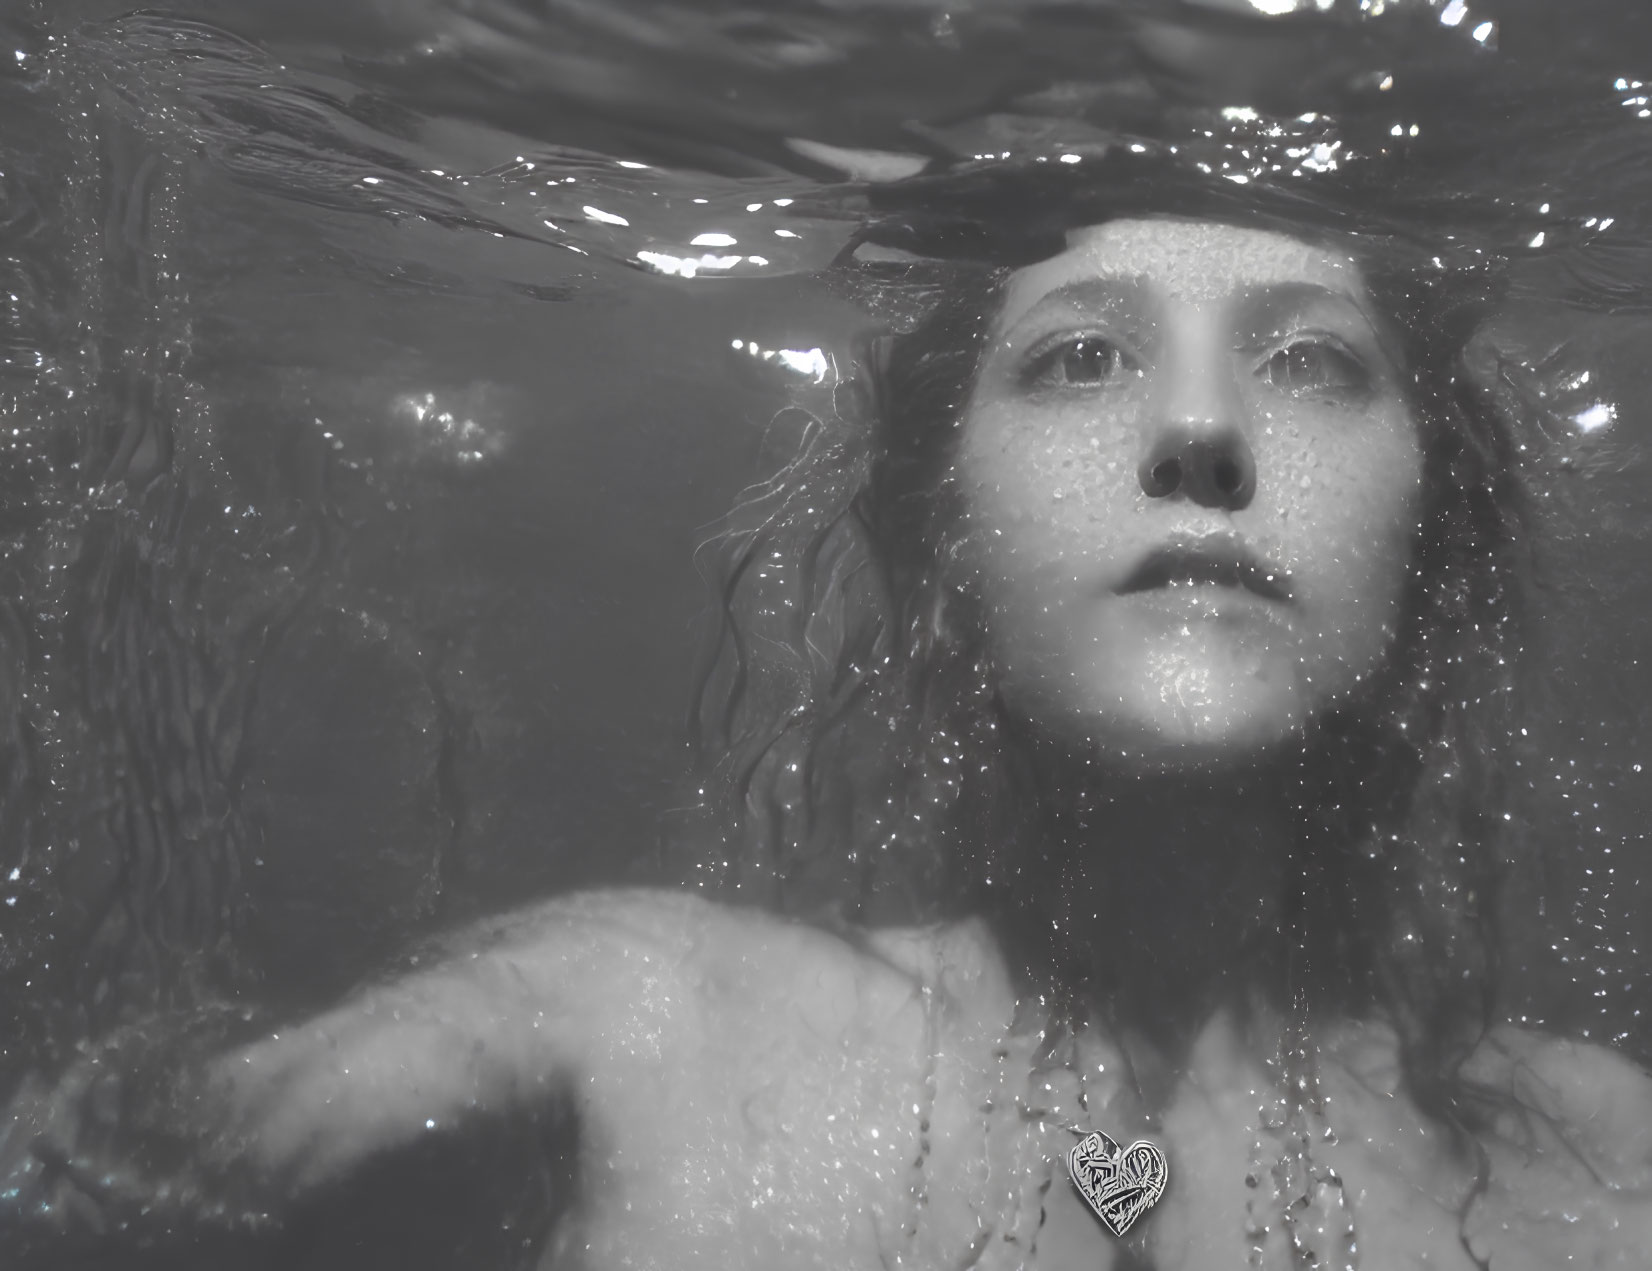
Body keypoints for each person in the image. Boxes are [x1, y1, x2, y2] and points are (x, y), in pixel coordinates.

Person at [7, 189, 1652, 1271]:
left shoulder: (1608, 1159)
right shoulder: (631, 1024)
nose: (1203, 432)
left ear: (1427, 530)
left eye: (1311, 364)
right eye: (1080, 360)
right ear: (942, 527)